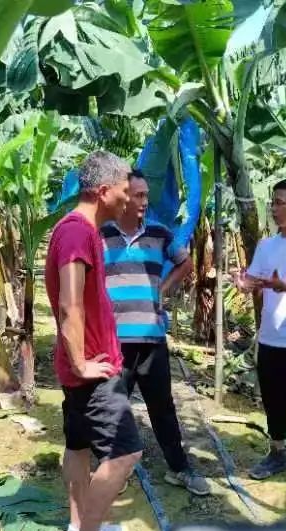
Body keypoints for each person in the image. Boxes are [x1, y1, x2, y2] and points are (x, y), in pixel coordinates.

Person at [44, 150, 142, 531]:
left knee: (79, 447)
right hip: (92, 370)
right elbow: (69, 305)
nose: (129, 198)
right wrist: (83, 362)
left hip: (83, 366)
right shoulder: (76, 234)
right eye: (125, 188)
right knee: (125, 454)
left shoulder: (80, 231)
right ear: (104, 190)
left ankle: (81, 524)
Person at [100, 169, 211, 496]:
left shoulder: (160, 233)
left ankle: (179, 468)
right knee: (114, 407)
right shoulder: (101, 235)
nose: (144, 202)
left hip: (151, 337)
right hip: (115, 341)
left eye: (146, 195)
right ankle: (113, 472)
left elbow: (185, 262)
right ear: (122, 196)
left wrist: (162, 290)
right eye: (138, 196)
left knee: (162, 407)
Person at [233, 178, 286, 502]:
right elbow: (256, 280)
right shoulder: (267, 245)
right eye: (273, 201)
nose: (274, 207)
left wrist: (284, 286)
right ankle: (278, 452)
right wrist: (243, 283)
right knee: (271, 398)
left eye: (280, 202)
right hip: (269, 337)